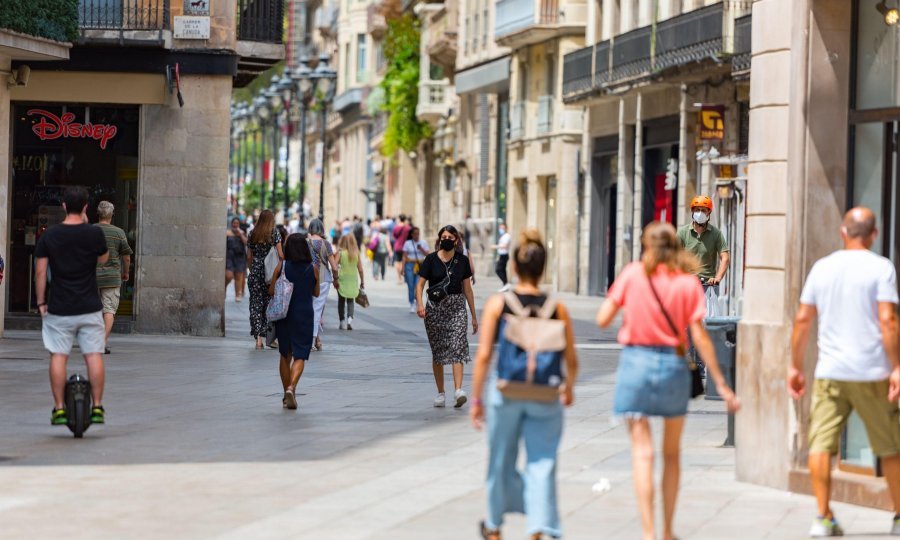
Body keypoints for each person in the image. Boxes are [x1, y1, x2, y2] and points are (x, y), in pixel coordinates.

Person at [595, 222, 739, 540]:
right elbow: (700, 336)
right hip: (674, 365)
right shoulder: (686, 283)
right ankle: (668, 531)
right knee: (671, 454)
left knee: (643, 453)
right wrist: (723, 383)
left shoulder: (633, 274)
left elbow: (603, 318)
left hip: (636, 364)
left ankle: (648, 532)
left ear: (646, 246)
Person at [789, 207, 900, 537]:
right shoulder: (881, 268)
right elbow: (888, 321)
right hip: (873, 372)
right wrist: (896, 367)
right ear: (874, 235)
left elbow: (802, 320)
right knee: (891, 446)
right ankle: (898, 515)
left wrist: (795, 365)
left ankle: (822, 517)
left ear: (842, 232)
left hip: (831, 372)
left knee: (821, 444)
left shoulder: (822, 268)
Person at [470, 229, 579, 540]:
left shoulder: (498, 304)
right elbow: (571, 359)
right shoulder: (558, 308)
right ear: (543, 268)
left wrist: (476, 400)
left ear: (514, 267)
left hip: (506, 392)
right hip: (546, 395)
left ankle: (493, 525)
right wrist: (568, 387)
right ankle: (539, 528)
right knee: (542, 463)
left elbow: (483, 357)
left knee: (500, 458)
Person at [34, 186, 110, 426]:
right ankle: (97, 407)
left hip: (59, 307)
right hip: (89, 306)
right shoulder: (94, 234)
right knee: (94, 355)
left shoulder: (50, 236)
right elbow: (103, 258)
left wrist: (41, 302)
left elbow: (40, 271)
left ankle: (58, 409)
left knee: (58, 355)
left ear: (64, 206)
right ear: (86, 207)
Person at [416, 225, 478, 408]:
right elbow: (420, 285)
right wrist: (420, 305)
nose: (447, 239)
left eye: (450, 237)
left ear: (456, 240)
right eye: (443, 236)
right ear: (439, 239)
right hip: (435, 309)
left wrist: (474, 315)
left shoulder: (462, 261)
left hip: (457, 308)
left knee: (458, 346)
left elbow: (467, 289)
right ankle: (441, 392)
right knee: (438, 351)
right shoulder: (430, 260)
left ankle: (458, 390)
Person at [271, 233, 319, 410]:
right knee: (300, 355)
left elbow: (271, 291)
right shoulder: (312, 268)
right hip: (304, 315)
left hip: (284, 315)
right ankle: (292, 387)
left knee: (285, 354)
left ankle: (286, 395)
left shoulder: (282, 266)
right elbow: (316, 293)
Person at [94, 201, 133, 354]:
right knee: (109, 310)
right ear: (112, 215)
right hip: (111, 277)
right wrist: (126, 272)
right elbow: (127, 256)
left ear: (98, 214)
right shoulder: (119, 233)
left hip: (91, 277)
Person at [247, 210, 284, 350]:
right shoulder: (274, 233)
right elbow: (281, 255)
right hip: (270, 274)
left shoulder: (252, 233)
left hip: (255, 272)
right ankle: (270, 337)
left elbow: (249, 257)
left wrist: (252, 270)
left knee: (255, 304)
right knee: (269, 304)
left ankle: (258, 339)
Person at [676, 195, 729, 291]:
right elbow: (673, 255)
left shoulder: (716, 233)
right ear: (692, 212)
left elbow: (725, 258)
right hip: (687, 283)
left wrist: (717, 278)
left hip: (709, 285)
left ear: (709, 212)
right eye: (697, 210)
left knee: (708, 306)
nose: (700, 213)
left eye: (703, 210)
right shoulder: (682, 232)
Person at [308, 218, 340, 351]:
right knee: (317, 309)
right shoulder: (326, 244)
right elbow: (334, 266)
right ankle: (312, 339)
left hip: (307, 277)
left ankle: (314, 339)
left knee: (309, 308)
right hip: (323, 279)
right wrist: (336, 279)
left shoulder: (306, 243)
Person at [336, 233, 365, 330]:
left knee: (341, 300)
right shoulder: (356, 254)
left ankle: (342, 321)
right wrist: (362, 281)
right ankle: (349, 319)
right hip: (353, 279)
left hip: (342, 279)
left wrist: (335, 277)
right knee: (351, 300)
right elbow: (360, 269)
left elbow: (334, 266)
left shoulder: (340, 253)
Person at [402, 227, 430, 313]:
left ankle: (417, 301)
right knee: (410, 285)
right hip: (410, 265)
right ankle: (412, 303)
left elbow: (428, 254)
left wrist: (421, 249)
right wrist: (402, 268)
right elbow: (404, 256)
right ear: (412, 235)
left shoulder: (423, 242)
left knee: (418, 285)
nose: (417, 236)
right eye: (415, 234)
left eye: (418, 234)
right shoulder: (408, 243)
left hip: (420, 265)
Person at [226, 217, 248, 303]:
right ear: (231, 224)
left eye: (237, 223)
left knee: (239, 276)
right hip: (229, 257)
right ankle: (224, 287)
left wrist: (240, 234)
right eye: (234, 223)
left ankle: (237, 294)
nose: (235, 225)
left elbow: (246, 242)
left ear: (239, 225)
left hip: (240, 257)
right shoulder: (227, 233)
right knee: (229, 275)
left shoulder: (242, 233)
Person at [393, 214, 411, 283]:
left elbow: (394, 236)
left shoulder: (396, 227)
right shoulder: (408, 228)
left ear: (399, 219)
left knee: (397, 262)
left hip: (398, 246)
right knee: (405, 262)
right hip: (406, 247)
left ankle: (399, 278)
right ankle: (404, 276)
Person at [494, 222, 512, 292]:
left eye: (502, 228)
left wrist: (496, 247)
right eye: (500, 228)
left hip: (504, 255)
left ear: (506, 228)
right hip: (501, 255)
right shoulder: (503, 236)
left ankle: (506, 283)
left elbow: (505, 245)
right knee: (502, 270)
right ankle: (505, 284)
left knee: (498, 269)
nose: (501, 229)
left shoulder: (507, 236)